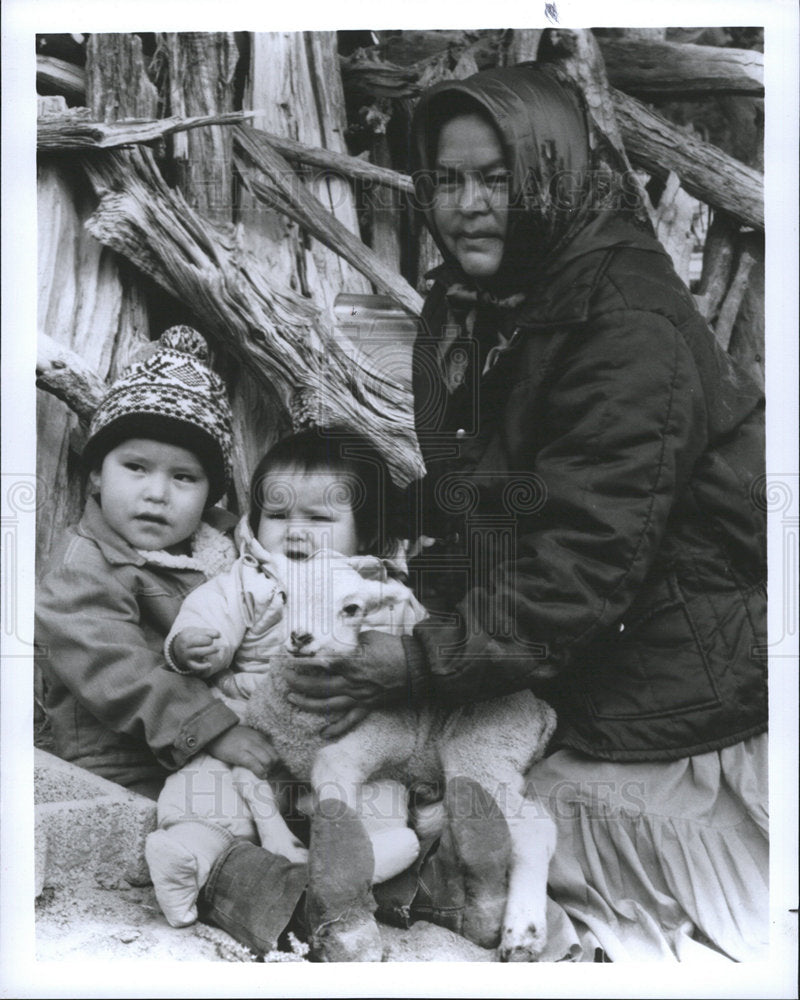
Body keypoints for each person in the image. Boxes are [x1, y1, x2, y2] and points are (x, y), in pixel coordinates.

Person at [284, 64, 768, 962]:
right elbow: (492, 502)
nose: (468, 203)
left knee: (484, 836)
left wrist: (422, 661)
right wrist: (410, 602)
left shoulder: (628, 326)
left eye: (498, 178)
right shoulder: (478, 303)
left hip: (670, 675)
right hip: (565, 649)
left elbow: (585, 560)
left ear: (554, 171)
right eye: (448, 178)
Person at [144, 428, 426, 931]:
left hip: (344, 742)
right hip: (253, 736)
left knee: (379, 789)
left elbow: (409, 652)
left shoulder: (378, 591)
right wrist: (193, 644)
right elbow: (210, 612)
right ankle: (191, 853)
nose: (294, 532)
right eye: (277, 515)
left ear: (368, 535)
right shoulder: (252, 580)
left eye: (318, 519)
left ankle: (366, 856)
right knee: (206, 789)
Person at [35, 326, 276, 801]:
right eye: (136, 467)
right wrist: (213, 730)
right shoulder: (82, 567)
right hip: (120, 762)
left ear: (210, 494)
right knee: (198, 831)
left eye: (183, 477)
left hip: (218, 735)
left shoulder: (227, 548)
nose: (156, 493)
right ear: (98, 475)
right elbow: (117, 670)